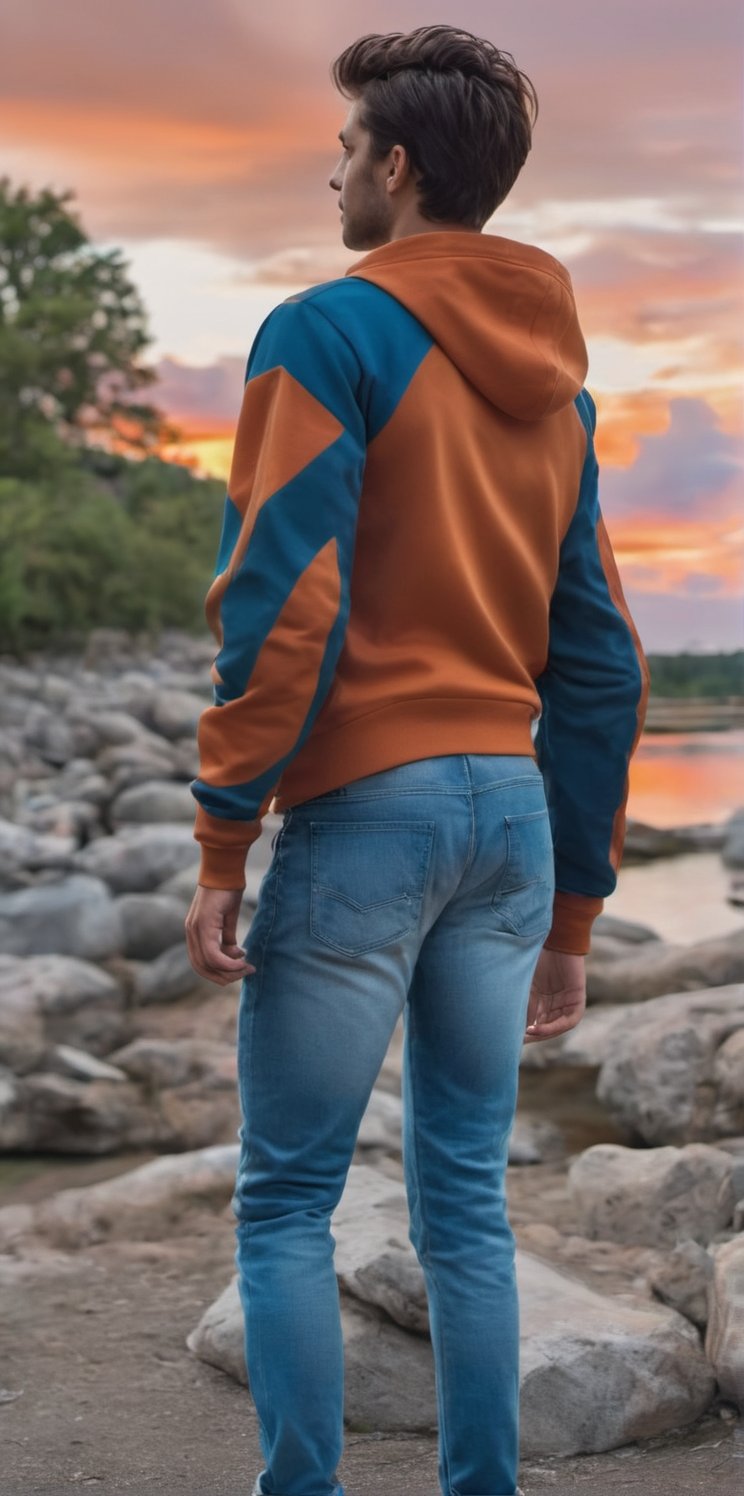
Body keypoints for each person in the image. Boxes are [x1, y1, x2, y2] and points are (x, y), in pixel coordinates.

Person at [185, 23, 651, 1496]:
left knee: (283, 1207)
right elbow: (602, 661)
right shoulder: (563, 395)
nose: (330, 179)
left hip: (367, 813)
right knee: (465, 1205)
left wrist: (221, 828)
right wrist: (576, 904)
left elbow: (284, 592)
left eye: (342, 153)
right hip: (509, 815)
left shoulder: (326, 331)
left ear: (395, 164)